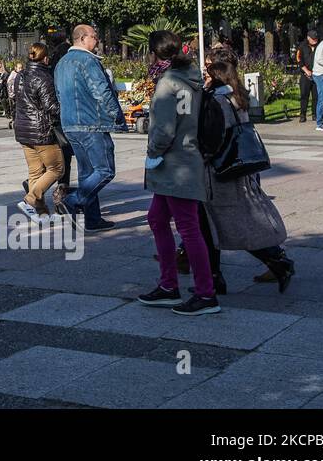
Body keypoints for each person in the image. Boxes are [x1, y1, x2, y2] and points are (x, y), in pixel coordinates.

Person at [137, 30, 219, 316]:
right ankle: (169, 285)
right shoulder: (190, 78)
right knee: (158, 218)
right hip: (186, 158)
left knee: (188, 228)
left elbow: (164, 127)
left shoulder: (167, 83)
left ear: (154, 53)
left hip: (174, 162)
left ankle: (206, 293)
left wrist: (153, 153)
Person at [200, 50, 295, 293]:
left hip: (219, 172)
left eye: (208, 65)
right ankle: (216, 277)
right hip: (240, 166)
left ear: (217, 71)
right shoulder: (237, 93)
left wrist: (199, 156)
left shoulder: (216, 99)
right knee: (223, 224)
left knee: (222, 224)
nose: (204, 69)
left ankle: (276, 261)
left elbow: (212, 139)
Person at [53, 24, 122, 230]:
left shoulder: (62, 63)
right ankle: (72, 201)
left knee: (86, 172)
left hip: (70, 124)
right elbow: (101, 91)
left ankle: (92, 219)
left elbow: (58, 94)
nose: (97, 39)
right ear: (82, 38)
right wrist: (116, 115)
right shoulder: (88, 61)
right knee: (105, 170)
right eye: (94, 36)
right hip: (91, 123)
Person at [13, 42, 64, 221]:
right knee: (57, 168)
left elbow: (16, 99)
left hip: (23, 130)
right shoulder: (43, 76)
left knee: (35, 172)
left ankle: (41, 214)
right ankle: (30, 200)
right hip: (41, 131)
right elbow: (51, 106)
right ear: (46, 58)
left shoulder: (21, 75)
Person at [295, 30, 318, 124]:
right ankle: (303, 114)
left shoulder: (319, 46)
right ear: (308, 38)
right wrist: (306, 70)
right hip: (305, 75)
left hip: (316, 74)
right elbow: (298, 58)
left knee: (316, 96)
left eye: (316, 38)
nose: (315, 40)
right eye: (313, 39)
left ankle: (315, 114)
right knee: (304, 95)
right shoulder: (302, 46)